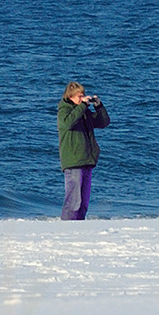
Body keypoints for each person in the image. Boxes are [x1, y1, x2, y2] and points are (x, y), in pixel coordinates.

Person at [57, 82, 110, 220]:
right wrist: (83, 106)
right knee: (73, 201)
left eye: (83, 96)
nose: (82, 99)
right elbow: (68, 123)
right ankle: (67, 226)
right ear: (70, 97)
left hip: (87, 160)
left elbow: (103, 122)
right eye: (79, 97)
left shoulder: (84, 112)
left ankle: (78, 228)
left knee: (83, 202)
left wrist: (99, 106)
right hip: (74, 161)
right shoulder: (64, 111)